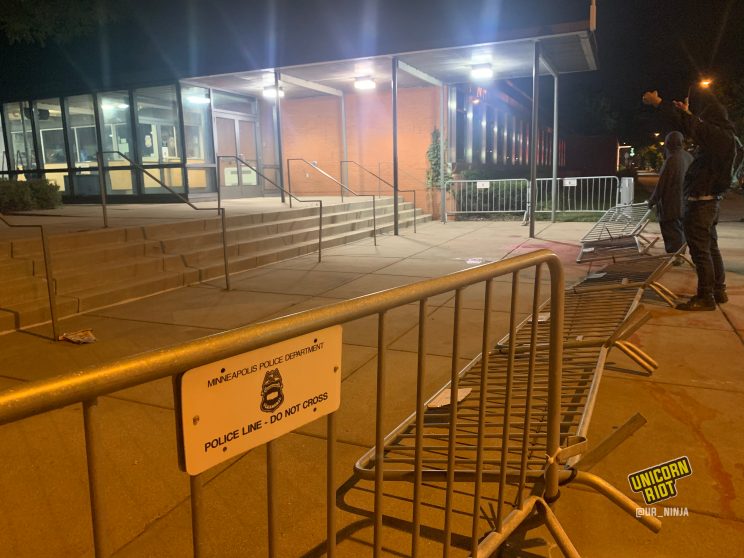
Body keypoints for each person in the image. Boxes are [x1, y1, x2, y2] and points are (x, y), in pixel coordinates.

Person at [642, 88, 736, 310]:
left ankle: (705, 297)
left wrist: (659, 102)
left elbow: (692, 126)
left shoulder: (718, 136)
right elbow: (694, 126)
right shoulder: (726, 136)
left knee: (700, 251)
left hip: (701, 202)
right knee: (711, 247)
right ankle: (718, 290)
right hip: (711, 200)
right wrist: (688, 112)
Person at [647, 131, 692, 255]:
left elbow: (662, 184)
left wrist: (653, 200)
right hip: (686, 201)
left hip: (671, 202)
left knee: (671, 229)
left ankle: (675, 255)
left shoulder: (672, 159)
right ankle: (680, 253)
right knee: (680, 228)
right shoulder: (688, 157)